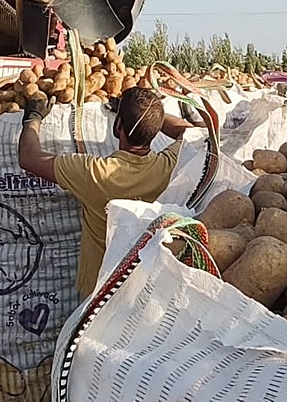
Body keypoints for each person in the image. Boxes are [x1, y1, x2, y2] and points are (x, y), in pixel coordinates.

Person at [17, 86, 196, 297]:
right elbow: (185, 130)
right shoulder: (170, 164)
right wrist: (150, 116)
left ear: (118, 124)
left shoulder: (95, 173)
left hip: (99, 292)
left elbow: (28, 157)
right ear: (156, 131)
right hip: (142, 288)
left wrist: (33, 117)